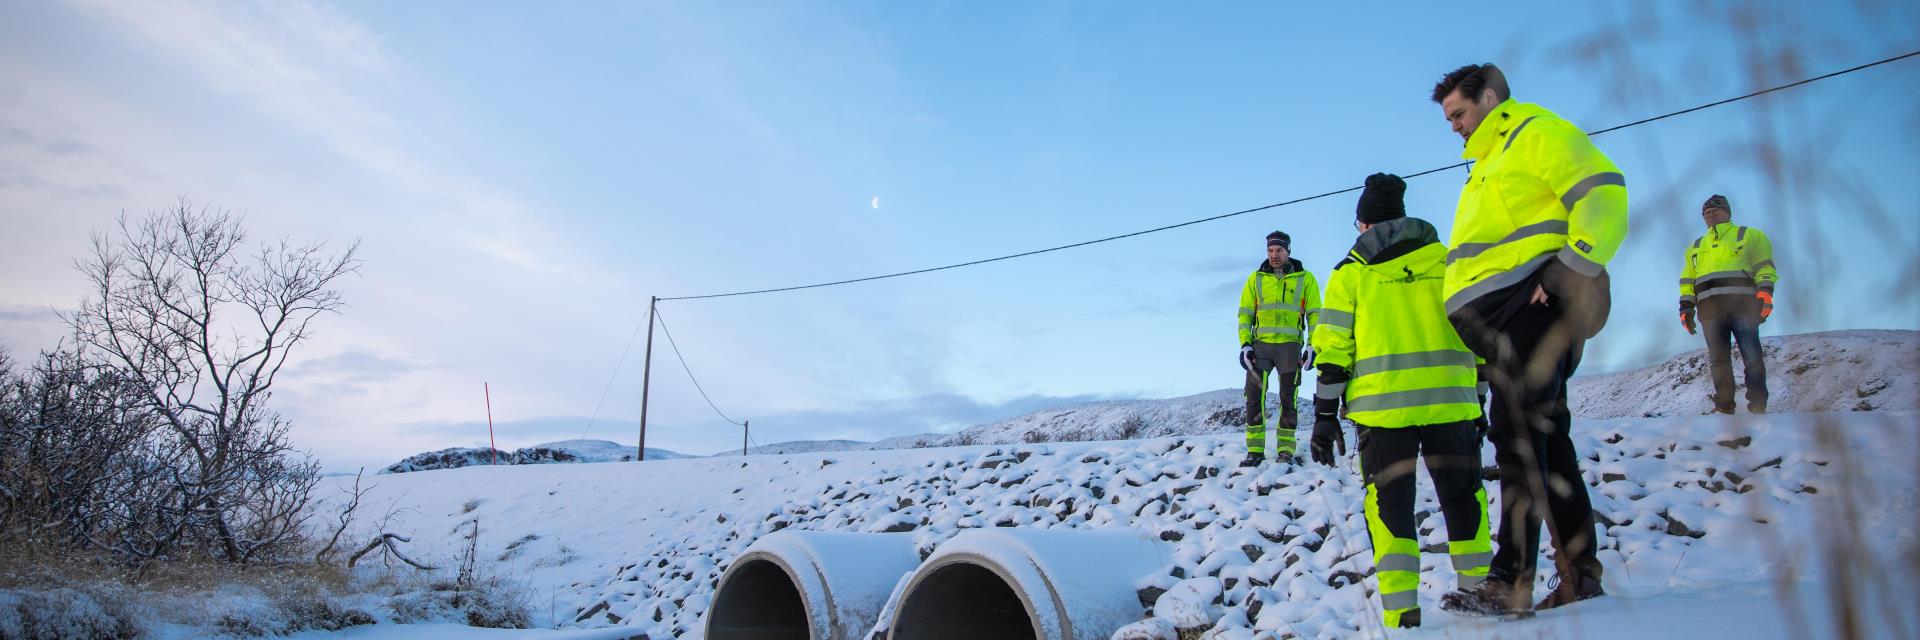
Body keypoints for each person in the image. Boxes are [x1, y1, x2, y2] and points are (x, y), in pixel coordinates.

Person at [1428, 63, 1627, 615]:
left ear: (1490, 99)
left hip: (1533, 311)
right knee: (1548, 441)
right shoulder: (1490, 161)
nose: (1454, 126)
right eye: (1449, 118)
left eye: (1459, 113)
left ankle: (1511, 581)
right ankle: (1580, 577)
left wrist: (1569, 269)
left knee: (1517, 437)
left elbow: (1604, 193)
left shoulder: (1534, 133)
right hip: (1507, 323)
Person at [1308, 173, 1491, 629]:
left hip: (1382, 414)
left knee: (1391, 507)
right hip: (1452, 403)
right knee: (1464, 497)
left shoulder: (1350, 274)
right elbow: (1479, 336)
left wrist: (1325, 416)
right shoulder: (1448, 261)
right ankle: (1480, 596)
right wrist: (1479, 399)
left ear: (1365, 224)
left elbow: (1333, 351)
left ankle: (1402, 614)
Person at [1680, 194, 1776, 414]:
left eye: (1715, 210)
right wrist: (1686, 307)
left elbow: (1765, 268)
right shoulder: (1695, 246)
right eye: (1706, 212)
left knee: (1751, 355)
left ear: (1727, 213)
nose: (1711, 214)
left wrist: (1765, 292)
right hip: (1709, 311)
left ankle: (1758, 405)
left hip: (1743, 306)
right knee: (1718, 360)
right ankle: (1724, 406)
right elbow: (1687, 280)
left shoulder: (1750, 236)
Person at [1236, 230, 1320, 466]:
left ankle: (1285, 450)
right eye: (1270, 250)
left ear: (1288, 251)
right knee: (1253, 395)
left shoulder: (1305, 279)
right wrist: (1245, 344)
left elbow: (1316, 315)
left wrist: (1313, 345)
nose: (1274, 255)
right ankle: (1255, 451)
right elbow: (1245, 314)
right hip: (1260, 347)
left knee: (1288, 398)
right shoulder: (1256, 279)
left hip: (1290, 347)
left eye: (1279, 250)